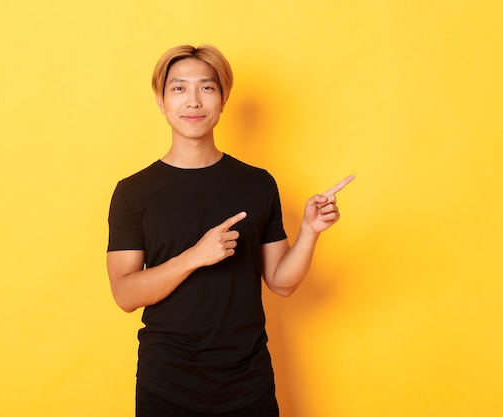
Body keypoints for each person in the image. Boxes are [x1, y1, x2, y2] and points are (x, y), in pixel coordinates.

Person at [107, 44, 354, 417]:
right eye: (178, 88)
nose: (193, 101)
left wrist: (310, 231)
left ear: (223, 100)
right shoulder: (134, 191)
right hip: (167, 382)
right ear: (160, 100)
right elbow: (125, 294)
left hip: (247, 380)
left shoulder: (257, 184)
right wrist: (195, 257)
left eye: (206, 88)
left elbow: (282, 282)